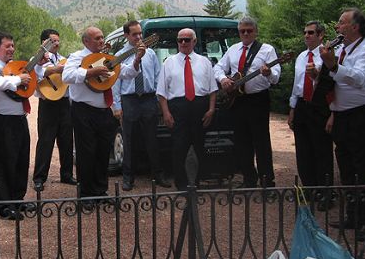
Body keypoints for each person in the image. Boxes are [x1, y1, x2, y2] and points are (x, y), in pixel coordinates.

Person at [320, 8, 365, 240]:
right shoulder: (343, 50)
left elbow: (359, 79)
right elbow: (335, 85)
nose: (337, 27)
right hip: (343, 117)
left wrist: (333, 65)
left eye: (341, 23)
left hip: (364, 117)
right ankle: (353, 216)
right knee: (346, 168)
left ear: (355, 27)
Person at [62, 26, 145, 198]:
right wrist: (91, 72)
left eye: (102, 38)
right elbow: (66, 76)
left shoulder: (108, 58)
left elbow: (127, 73)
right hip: (83, 111)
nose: (102, 41)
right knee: (86, 153)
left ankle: (101, 191)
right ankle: (86, 194)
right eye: (97, 38)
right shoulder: (77, 57)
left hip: (104, 110)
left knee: (102, 152)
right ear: (86, 41)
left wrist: (137, 59)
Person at [213, 16, 281, 188]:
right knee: (242, 142)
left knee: (262, 142)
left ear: (255, 32)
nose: (245, 33)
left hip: (258, 100)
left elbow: (276, 76)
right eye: (242, 31)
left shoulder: (267, 50)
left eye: (249, 30)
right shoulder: (233, 50)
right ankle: (249, 180)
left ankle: (267, 182)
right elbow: (218, 67)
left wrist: (268, 73)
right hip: (238, 100)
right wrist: (223, 80)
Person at [157, 28, 217, 190]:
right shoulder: (168, 62)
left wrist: (211, 110)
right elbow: (161, 92)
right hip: (178, 108)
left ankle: (195, 183)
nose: (183, 43)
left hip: (200, 108)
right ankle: (182, 185)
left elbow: (212, 89)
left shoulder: (205, 62)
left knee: (199, 146)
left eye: (187, 40)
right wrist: (166, 113)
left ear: (194, 42)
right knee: (179, 147)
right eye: (180, 40)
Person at [112, 20, 170, 191]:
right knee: (129, 140)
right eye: (134, 34)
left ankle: (158, 175)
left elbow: (158, 77)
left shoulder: (151, 54)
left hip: (148, 99)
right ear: (126, 36)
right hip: (129, 99)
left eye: (140, 33)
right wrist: (117, 106)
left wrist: (160, 100)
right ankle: (128, 178)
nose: (138, 37)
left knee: (152, 138)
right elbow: (115, 82)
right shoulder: (120, 55)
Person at [0, 32, 31, 219]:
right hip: (3, 120)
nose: (11, 49)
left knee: (21, 160)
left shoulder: (13, 66)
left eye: (12, 45)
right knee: (4, 162)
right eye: (7, 46)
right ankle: (4, 204)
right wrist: (18, 80)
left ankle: (18, 200)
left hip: (19, 118)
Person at [287, 21, 334, 209]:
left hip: (319, 105)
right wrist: (292, 109)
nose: (307, 36)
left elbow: (332, 85)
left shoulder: (327, 56)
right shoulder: (300, 57)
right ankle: (308, 188)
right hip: (301, 106)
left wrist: (316, 77)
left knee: (321, 149)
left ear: (321, 35)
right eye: (305, 32)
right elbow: (296, 85)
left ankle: (326, 192)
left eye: (311, 33)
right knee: (303, 149)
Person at [32, 29, 76, 192]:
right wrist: (53, 69)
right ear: (44, 43)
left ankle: (67, 174)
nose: (56, 44)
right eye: (52, 41)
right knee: (45, 141)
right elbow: (37, 75)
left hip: (64, 103)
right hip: (48, 104)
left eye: (57, 41)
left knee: (66, 140)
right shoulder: (37, 60)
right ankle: (39, 177)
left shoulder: (64, 59)